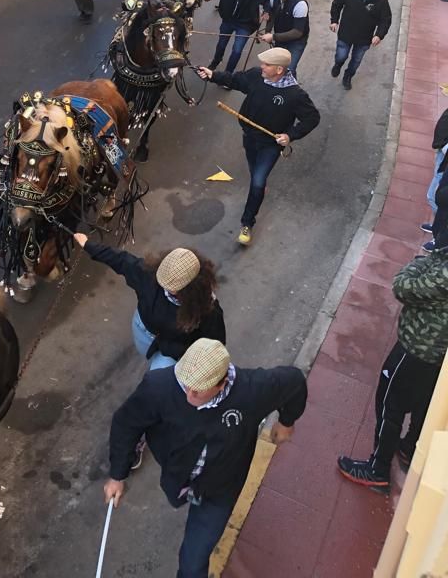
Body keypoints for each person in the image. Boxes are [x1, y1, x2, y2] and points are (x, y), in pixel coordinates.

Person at [105, 338, 307, 578]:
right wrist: (118, 474)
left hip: (219, 489)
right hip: (177, 472)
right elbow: (126, 424)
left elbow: (294, 380)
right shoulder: (159, 386)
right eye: (185, 384)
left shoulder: (253, 391)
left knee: (192, 565)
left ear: (222, 384)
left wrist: (287, 421)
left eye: (198, 390)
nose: (188, 393)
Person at [337, 245, 448, 492]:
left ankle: (378, 469)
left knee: (390, 404)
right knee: (423, 403)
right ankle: (409, 448)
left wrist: (420, 263)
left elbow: (403, 286)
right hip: (436, 354)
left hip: (417, 347)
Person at [195, 48, 320, 245]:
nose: (262, 66)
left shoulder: (295, 95)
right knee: (255, 173)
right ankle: (258, 189)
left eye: (267, 65)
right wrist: (213, 75)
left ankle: (247, 223)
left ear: (279, 69)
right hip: (249, 137)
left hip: (270, 145)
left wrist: (290, 136)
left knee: (258, 181)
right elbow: (235, 80)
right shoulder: (256, 76)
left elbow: (312, 118)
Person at [73, 235, 225, 370]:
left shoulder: (208, 311)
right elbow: (122, 261)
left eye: (170, 286)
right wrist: (89, 245)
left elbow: (213, 347)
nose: (162, 285)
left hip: (170, 353)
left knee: (158, 377)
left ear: (189, 289)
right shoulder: (151, 275)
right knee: (147, 357)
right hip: (141, 330)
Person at [203, 0, 269, 74]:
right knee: (221, 44)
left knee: (237, 50)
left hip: (245, 24)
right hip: (228, 20)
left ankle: (228, 74)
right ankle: (215, 62)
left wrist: (266, 11)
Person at [330, 0, 392, 89]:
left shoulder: (382, 1)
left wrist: (379, 35)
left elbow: (385, 20)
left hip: (364, 39)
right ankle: (338, 64)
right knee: (341, 55)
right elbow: (337, 4)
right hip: (345, 34)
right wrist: (334, 21)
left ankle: (348, 76)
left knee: (356, 61)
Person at [261, 0, 310, 77]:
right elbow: (271, 16)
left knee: (289, 70)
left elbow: (297, 32)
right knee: (278, 68)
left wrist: (273, 36)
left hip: (296, 42)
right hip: (280, 38)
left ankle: (292, 90)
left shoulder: (300, 5)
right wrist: (267, 31)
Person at [422, 109, 448, 238]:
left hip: (445, 157)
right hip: (443, 153)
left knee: (433, 197)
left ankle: (441, 234)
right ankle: (438, 227)